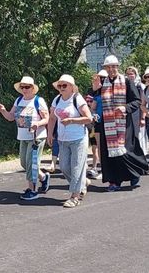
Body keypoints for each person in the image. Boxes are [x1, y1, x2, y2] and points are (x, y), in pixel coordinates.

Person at [92, 55, 148, 191]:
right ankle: (114, 181)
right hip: (107, 124)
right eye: (108, 67)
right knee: (109, 154)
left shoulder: (127, 82)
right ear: (105, 68)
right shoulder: (102, 83)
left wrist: (125, 108)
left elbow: (136, 101)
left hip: (124, 123)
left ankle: (134, 174)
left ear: (118, 67)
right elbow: (93, 100)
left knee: (126, 151)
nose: (111, 69)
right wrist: (94, 90)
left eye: (113, 67)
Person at [0, 76, 50, 200]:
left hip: (36, 137)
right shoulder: (19, 100)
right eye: (22, 87)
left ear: (32, 88)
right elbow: (10, 117)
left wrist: (38, 124)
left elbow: (46, 118)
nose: (24, 89)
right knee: (24, 163)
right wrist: (3, 110)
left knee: (31, 163)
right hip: (23, 136)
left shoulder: (38, 101)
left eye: (27, 87)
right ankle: (43, 177)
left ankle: (33, 190)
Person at [47, 75, 92, 208]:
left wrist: (72, 121)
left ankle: (75, 196)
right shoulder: (57, 100)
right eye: (59, 86)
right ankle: (82, 183)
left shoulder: (77, 99)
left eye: (64, 85)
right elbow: (52, 118)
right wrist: (50, 134)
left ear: (72, 87)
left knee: (77, 167)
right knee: (65, 167)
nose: (61, 88)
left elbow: (88, 118)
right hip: (62, 139)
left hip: (78, 138)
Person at [86, 69, 107, 179]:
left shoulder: (111, 90)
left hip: (110, 122)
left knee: (109, 147)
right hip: (99, 122)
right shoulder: (97, 93)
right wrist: (93, 115)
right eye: (100, 78)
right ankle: (103, 170)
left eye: (103, 78)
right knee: (100, 147)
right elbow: (92, 108)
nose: (101, 80)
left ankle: (109, 170)